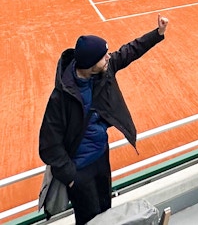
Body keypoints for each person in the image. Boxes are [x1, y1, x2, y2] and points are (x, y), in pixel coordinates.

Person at [39, 14, 169, 225]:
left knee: (107, 213)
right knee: (89, 219)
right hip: (80, 170)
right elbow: (49, 146)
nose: (109, 57)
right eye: (103, 56)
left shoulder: (102, 73)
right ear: (90, 63)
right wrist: (72, 178)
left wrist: (157, 34)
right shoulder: (60, 99)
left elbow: (129, 51)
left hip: (101, 158)